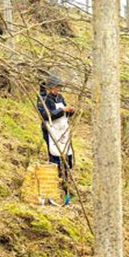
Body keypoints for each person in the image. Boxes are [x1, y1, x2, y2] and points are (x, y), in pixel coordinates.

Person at [37, 75, 75, 204]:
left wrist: (69, 111)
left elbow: (64, 112)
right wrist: (61, 110)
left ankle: (66, 180)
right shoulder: (43, 98)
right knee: (54, 156)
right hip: (51, 130)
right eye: (54, 87)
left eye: (58, 88)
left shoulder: (59, 97)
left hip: (62, 130)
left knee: (67, 156)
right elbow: (45, 114)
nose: (56, 90)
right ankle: (56, 181)